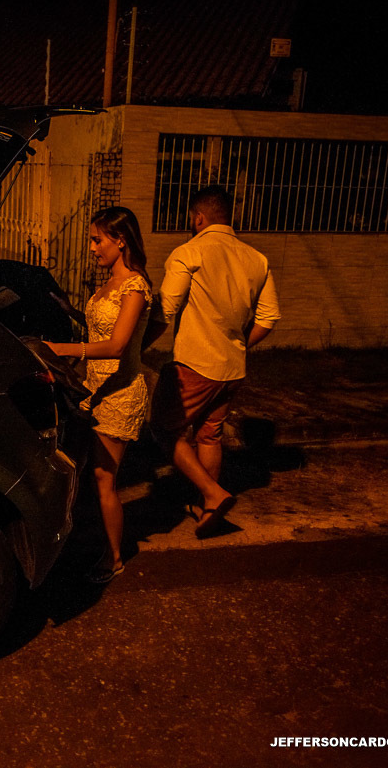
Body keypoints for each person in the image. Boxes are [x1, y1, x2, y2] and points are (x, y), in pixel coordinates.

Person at [144, 185, 281, 537]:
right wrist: (237, 345)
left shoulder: (189, 252)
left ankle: (212, 493)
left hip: (194, 365)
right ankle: (209, 511)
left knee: (162, 428)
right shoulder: (256, 259)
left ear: (198, 218)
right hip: (232, 368)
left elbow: (165, 310)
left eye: (192, 219)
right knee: (209, 436)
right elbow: (268, 319)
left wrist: (136, 346)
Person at [44, 206, 152, 583]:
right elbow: (98, 329)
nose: (92, 247)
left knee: (105, 477)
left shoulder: (135, 286)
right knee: (83, 471)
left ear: (120, 241)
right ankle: (81, 541)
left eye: (97, 239)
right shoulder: (108, 282)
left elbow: (119, 345)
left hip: (120, 392)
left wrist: (62, 349)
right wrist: (69, 312)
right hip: (93, 389)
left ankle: (115, 557)